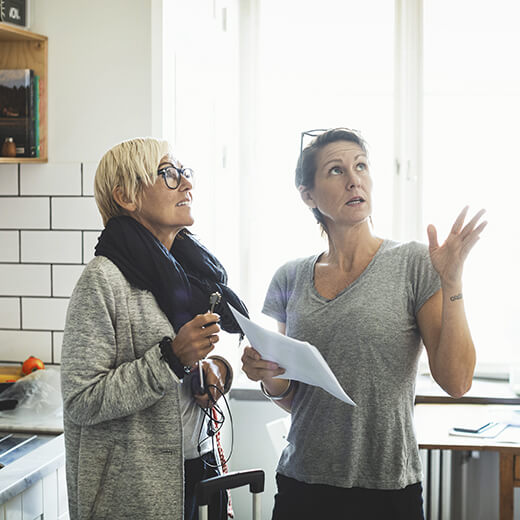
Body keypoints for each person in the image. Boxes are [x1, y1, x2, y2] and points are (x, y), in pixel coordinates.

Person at [241, 128, 486, 520]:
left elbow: (456, 382)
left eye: (361, 166)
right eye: (336, 170)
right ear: (308, 194)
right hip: (303, 485)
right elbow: (291, 396)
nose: (354, 179)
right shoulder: (290, 277)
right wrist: (266, 374)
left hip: (387, 488)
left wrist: (452, 282)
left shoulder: (414, 264)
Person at [61, 137, 247, 520]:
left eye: (185, 173)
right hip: (134, 495)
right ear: (127, 196)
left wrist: (216, 369)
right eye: (169, 174)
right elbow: (81, 401)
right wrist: (170, 359)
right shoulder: (103, 281)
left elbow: (193, 352)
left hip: (197, 469)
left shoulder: (188, 276)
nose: (187, 184)